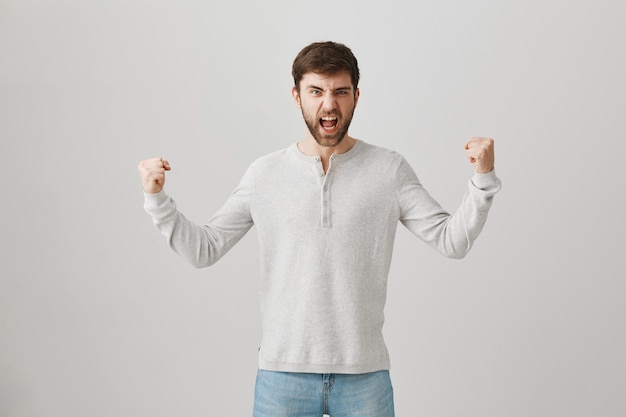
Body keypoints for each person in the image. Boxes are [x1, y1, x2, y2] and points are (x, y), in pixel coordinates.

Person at [138, 41, 501, 417]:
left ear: (356, 96)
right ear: (297, 96)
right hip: (282, 376)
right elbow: (205, 249)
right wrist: (157, 200)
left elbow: (452, 241)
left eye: (340, 92)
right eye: (316, 91)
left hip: (365, 376)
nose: (329, 104)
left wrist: (483, 179)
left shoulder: (388, 169)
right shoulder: (265, 173)